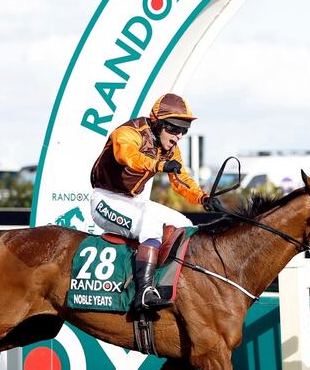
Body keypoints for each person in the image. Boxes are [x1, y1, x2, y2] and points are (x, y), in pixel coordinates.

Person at [89, 93, 221, 313]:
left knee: (184, 224)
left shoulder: (170, 148)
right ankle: (144, 292)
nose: (178, 136)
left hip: (135, 201)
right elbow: (127, 156)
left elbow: (181, 180)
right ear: (158, 123)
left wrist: (203, 198)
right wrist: (159, 165)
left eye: (183, 131)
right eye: (174, 128)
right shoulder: (127, 133)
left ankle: (173, 283)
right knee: (150, 223)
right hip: (105, 199)